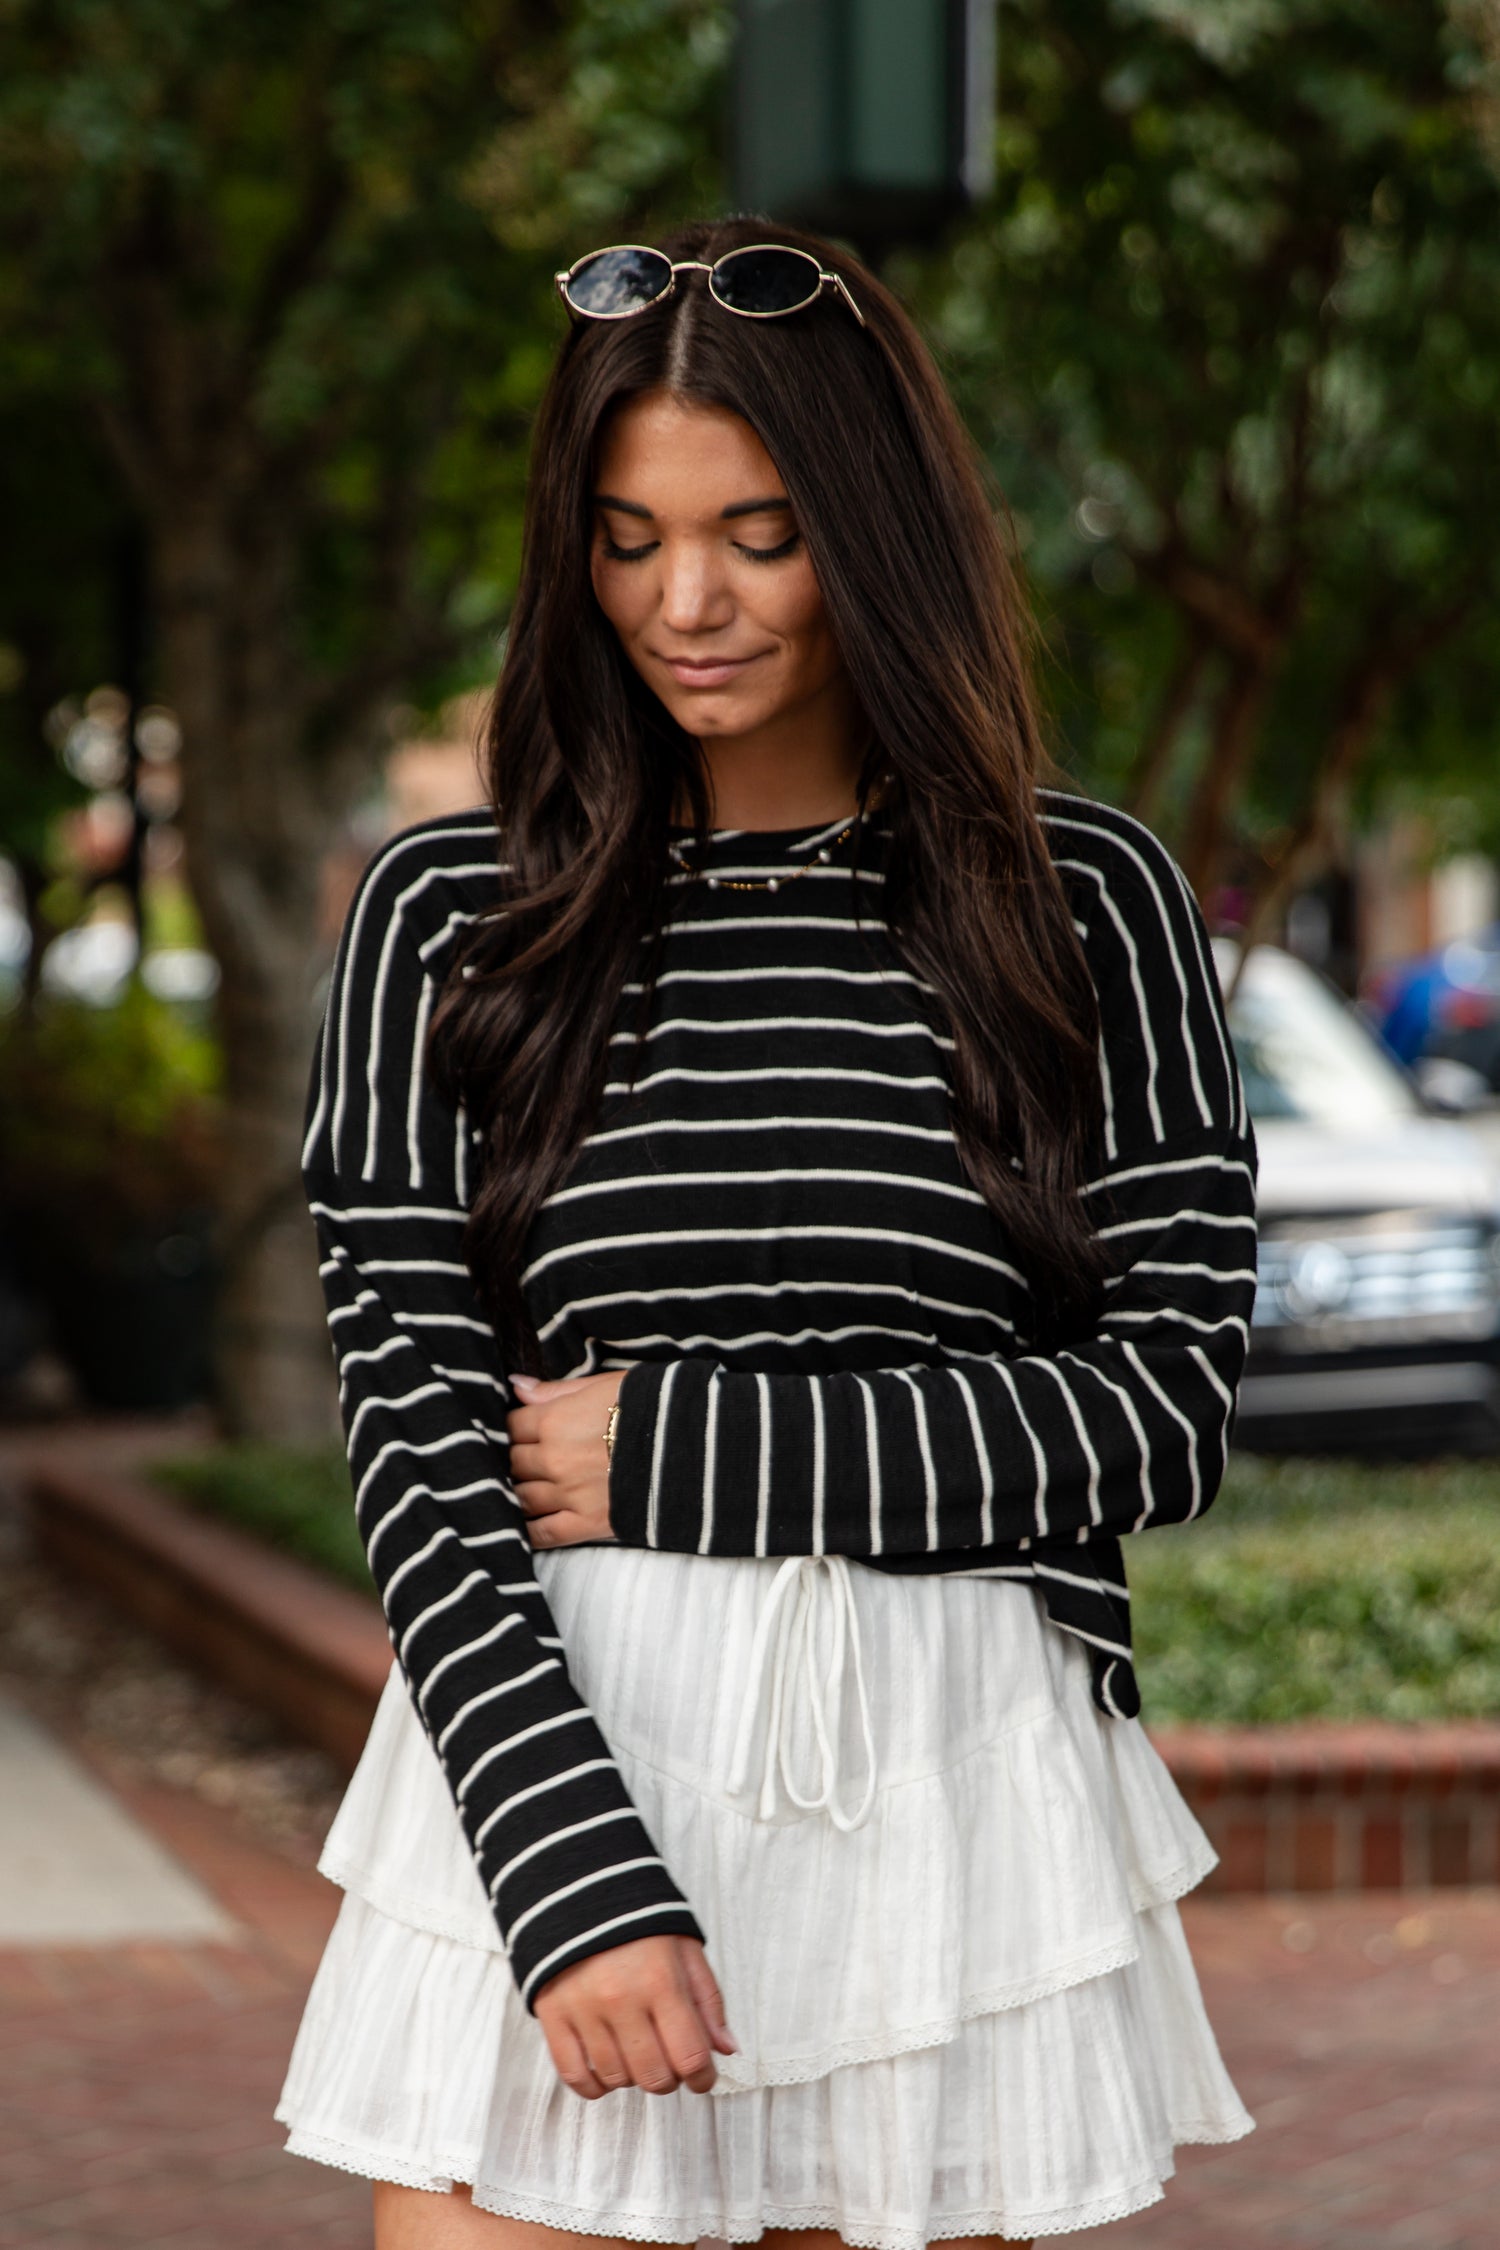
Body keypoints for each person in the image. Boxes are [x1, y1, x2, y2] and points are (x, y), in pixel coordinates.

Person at [277, 216, 1257, 2250]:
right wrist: (572, 1880)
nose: (688, 602)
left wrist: (674, 1450)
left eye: (760, 532)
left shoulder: (1079, 902)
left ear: (878, 535)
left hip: (948, 1796)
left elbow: (1164, 1411)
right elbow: (423, 1451)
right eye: (628, 541)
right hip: (560, 1773)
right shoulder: (452, 918)